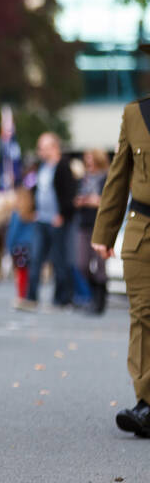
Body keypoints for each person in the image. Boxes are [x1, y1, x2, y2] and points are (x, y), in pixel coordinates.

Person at [93, 96, 150, 436]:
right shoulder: (135, 114)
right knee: (143, 314)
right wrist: (104, 231)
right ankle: (146, 403)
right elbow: (119, 175)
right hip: (143, 231)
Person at [19, 132, 76, 311]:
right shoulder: (42, 168)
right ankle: (31, 297)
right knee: (35, 259)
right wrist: (34, 210)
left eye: (43, 148)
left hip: (56, 220)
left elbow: (69, 193)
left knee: (59, 260)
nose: (40, 151)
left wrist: (63, 215)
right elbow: (37, 190)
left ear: (54, 147)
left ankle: (62, 299)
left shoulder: (63, 167)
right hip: (41, 219)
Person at [76, 149, 110, 314]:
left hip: (100, 224)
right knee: (81, 263)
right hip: (84, 223)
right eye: (86, 159)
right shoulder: (84, 178)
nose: (88, 162)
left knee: (100, 265)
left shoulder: (106, 178)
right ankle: (93, 292)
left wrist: (93, 201)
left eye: (91, 159)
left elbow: (108, 200)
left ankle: (100, 299)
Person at [7, 188, 36, 307]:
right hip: (29, 246)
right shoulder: (31, 215)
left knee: (20, 273)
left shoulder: (17, 214)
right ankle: (27, 295)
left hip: (18, 247)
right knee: (27, 272)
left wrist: (9, 246)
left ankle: (21, 296)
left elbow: (12, 232)